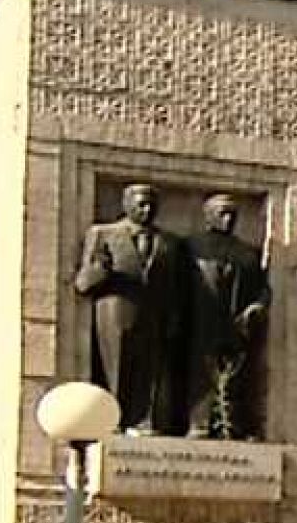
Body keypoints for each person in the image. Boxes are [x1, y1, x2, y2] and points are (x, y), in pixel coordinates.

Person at [74, 183, 186, 435]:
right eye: (141, 204)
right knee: (115, 369)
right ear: (126, 205)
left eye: (151, 205)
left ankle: (144, 421)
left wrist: (173, 317)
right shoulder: (103, 233)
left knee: (151, 374)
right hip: (115, 313)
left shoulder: (169, 242)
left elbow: (174, 285)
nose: (147, 210)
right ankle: (112, 420)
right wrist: (100, 270)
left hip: (153, 316)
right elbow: (82, 284)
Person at [185, 194, 270, 439]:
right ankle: (199, 423)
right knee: (200, 375)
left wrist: (257, 306)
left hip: (237, 324)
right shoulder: (192, 246)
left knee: (238, 377)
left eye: (233, 214)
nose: (228, 218)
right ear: (208, 216)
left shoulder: (247, 253)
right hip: (202, 321)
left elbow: (263, 288)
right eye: (222, 213)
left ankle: (234, 425)